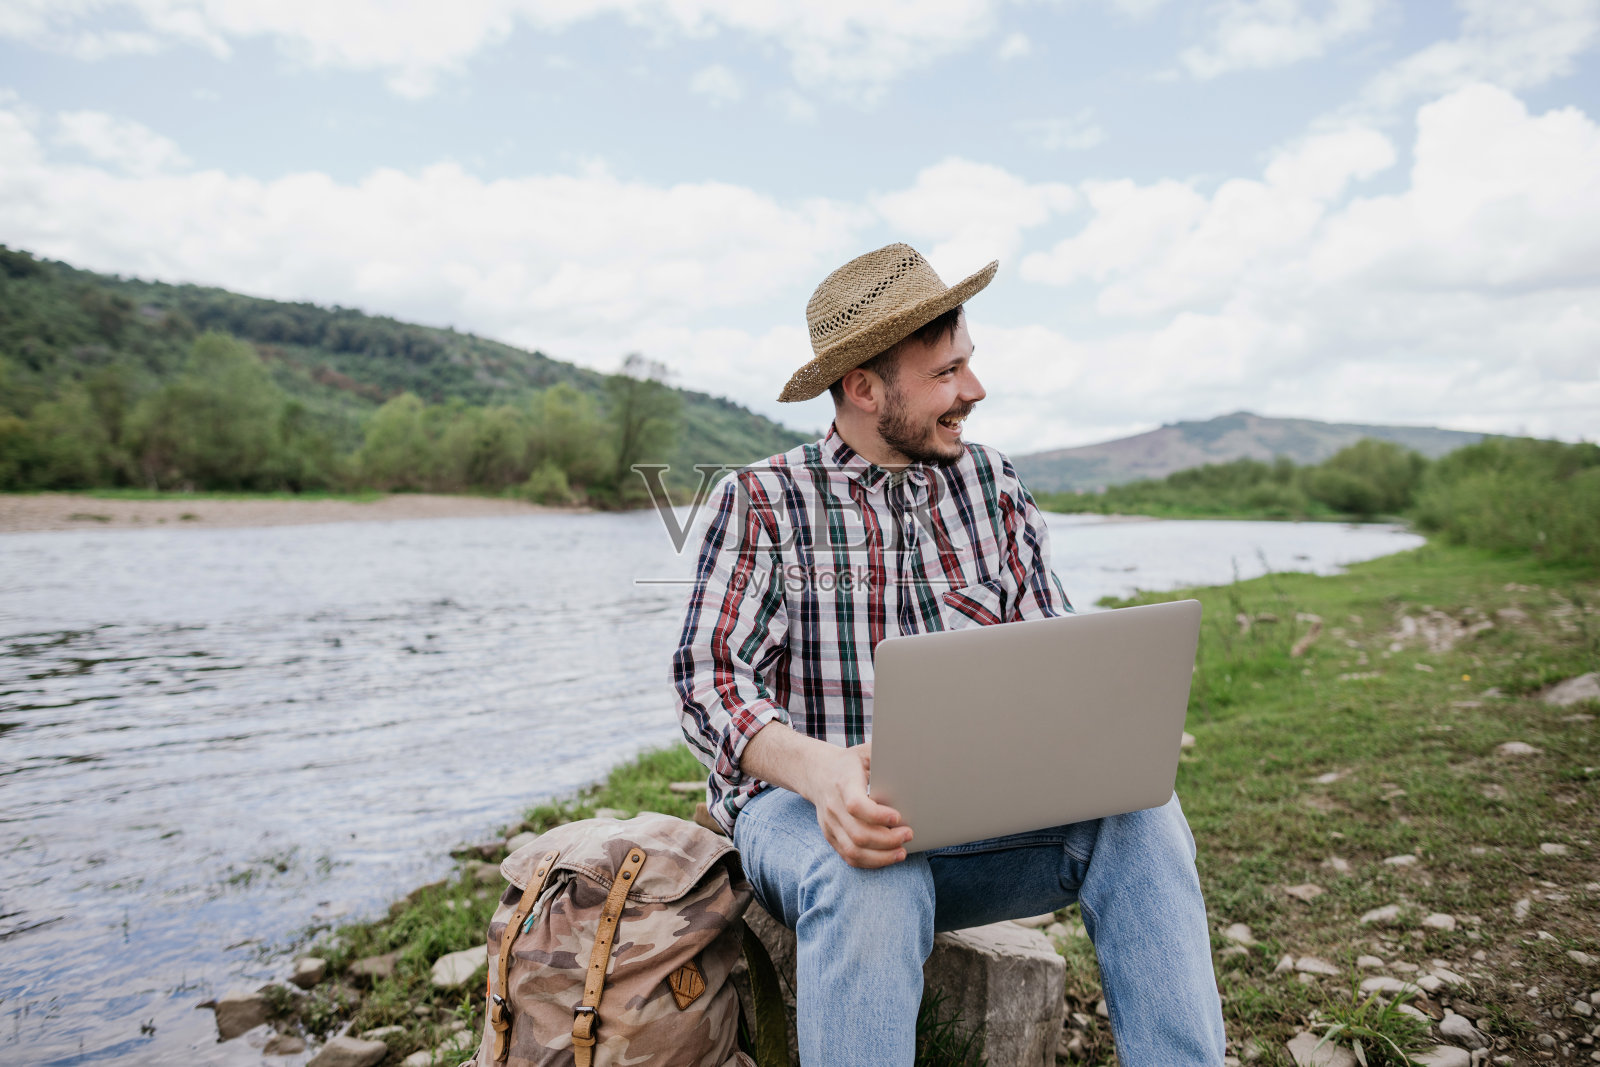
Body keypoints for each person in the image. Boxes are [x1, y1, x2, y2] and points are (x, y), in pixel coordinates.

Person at [671, 243, 1226, 1066]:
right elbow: (707, 681)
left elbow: (1053, 647)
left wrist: (1104, 733)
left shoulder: (994, 486)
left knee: (1142, 814)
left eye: (968, 361)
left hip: (975, 817)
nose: (974, 388)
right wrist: (825, 775)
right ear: (864, 387)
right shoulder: (761, 501)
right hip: (800, 817)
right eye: (947, 372)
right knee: (873, 869)